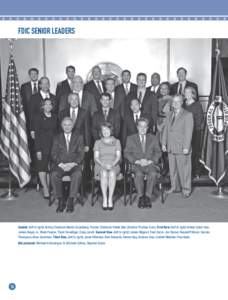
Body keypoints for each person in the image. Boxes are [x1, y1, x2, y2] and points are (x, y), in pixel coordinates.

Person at [124, 118, 161, 208]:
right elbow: (126, 152)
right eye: (141, 126)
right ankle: (141, 197)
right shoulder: (131, 138)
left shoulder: (153, 138)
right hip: (137, 164)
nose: (143, 129)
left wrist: (150, 161)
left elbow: (158, 152)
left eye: (145, 127)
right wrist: (136, 161)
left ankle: (147, 197)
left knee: (153, 173)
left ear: (148, 128)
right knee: (139, 174)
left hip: (150, 163)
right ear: (137, 127)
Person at [161, 94, 194, 198]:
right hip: (171, 146)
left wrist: (186, 147)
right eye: (173, 102)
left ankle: (186, 190)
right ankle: (174, 187)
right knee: (173, 169)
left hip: (182, 147)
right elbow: (166, 129)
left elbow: (189, 132)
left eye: (177, 101)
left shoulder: (187, 114)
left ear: (182, 102)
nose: (175, 103)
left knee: (184, 170)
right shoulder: (169, 114)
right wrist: (163, 142)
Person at [50, 117, 84, 213]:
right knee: (54, 175)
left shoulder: (79, 137)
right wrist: (61, 164)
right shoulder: (56, 137)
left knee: (77, 175)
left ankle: (70, 200)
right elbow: (53, 153)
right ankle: (60, 199)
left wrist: (73, 163)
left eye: (69, 125)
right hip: (61, 165)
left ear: (72, 126)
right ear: (61, 126)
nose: (67, 127)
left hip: (74, 165)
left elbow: (81, 153)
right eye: (65, 125)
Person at [94, 122, 122, 210]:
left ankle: (110, 199)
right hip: (100, 164)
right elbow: (96, 157)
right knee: (104, 174)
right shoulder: (97, 142)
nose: (106, 132)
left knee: (112, 174)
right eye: (103, 130)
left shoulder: (117, 141)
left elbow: (118, 156)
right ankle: (104, 199)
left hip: (114, 164)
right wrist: (104, 165)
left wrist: (112, 164)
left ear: (111, 130)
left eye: (107, 129)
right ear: (101, 132)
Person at [34, 99, 58, 199]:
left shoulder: (55, 117)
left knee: (51, 168)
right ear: (42, 106)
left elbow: (58, 133)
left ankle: (49, 186)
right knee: (42, 168)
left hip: (54, 147)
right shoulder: (38, 117)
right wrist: (38, 149)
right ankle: (45, 188)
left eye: (50, 104)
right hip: (42, 147)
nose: (48, 106)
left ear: (52, 106)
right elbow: (37, 135)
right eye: (46, 104)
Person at [21, 67, 39, 167]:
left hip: (41, 120)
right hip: (28, 120)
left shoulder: (42, 85)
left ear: (38, 75)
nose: (33, 75)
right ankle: (32, 165)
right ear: (29, 75)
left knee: (39, 143)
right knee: (30, 143)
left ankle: (38, 163)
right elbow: (22, 103)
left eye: (35, 74)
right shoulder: (24, 87)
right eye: (31, 74)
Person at [183, 86, 204, 178]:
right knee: (185, 153)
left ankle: (196, 172)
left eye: (189, 92)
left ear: (193, 94)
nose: (187, 94)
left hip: (195, 132)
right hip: (183, 133)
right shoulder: (182, 104)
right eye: (185, 92)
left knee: (195, 152)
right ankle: (186, 172)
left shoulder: (197, 105)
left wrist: (191, 129)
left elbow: (199, 120)